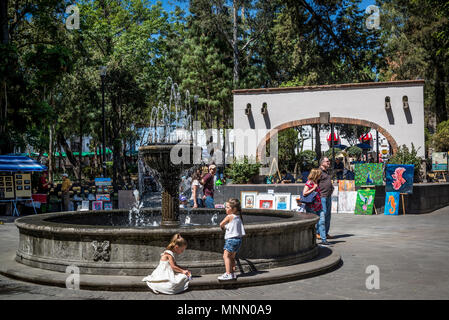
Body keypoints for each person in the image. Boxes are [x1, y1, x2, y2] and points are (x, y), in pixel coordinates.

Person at [218, 198, 246, 281]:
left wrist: (223, 227)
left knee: (226, 256)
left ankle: (228, 274)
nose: (225, 209)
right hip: (238, 240)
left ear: (233, 209)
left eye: (227, 207)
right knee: (232, 257)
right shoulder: (238, 217)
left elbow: (221, 224)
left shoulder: (229, 216)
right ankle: (233, 273)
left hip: (231, 240)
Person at [303, 168, 329, 245]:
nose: (320, 176)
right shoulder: (309, 182)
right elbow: (304, 193)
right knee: (312, 224)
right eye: (319, 175)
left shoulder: (316, 182)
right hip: (311, 206)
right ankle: (311, 241)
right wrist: (313, 188)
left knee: (322, 222)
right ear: (315, 175)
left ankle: (324, 240)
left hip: (318, 205)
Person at [318, 157, 334, 240]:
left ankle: (325, 233)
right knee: (322, 216)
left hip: (328, 196)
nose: (329, 162)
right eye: (327, 161)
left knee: (328, 216)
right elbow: (314, 183)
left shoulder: (327, 172)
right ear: (322, 163)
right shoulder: (319, 172)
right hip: (322, 196)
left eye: (329, 161)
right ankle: (319, 233)